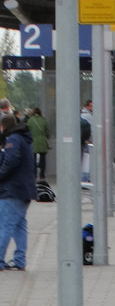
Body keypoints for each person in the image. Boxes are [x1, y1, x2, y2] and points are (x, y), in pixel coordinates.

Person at [0, 114, 36, 271]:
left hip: (13, 189)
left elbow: (11, 161)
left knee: (5, 226)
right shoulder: (23, 138)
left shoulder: (13, 139)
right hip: (24, 190)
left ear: (4, 126)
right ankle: (20, 260)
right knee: (19, 226)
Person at [25, 106, 50, 182]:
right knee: (43, 159)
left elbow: (27, 131)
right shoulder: (44, 120)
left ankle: (34, 174)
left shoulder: (30, 121)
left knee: (33, 159)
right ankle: (42, 175)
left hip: (33, 141)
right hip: (42, 141)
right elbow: (47, 132)